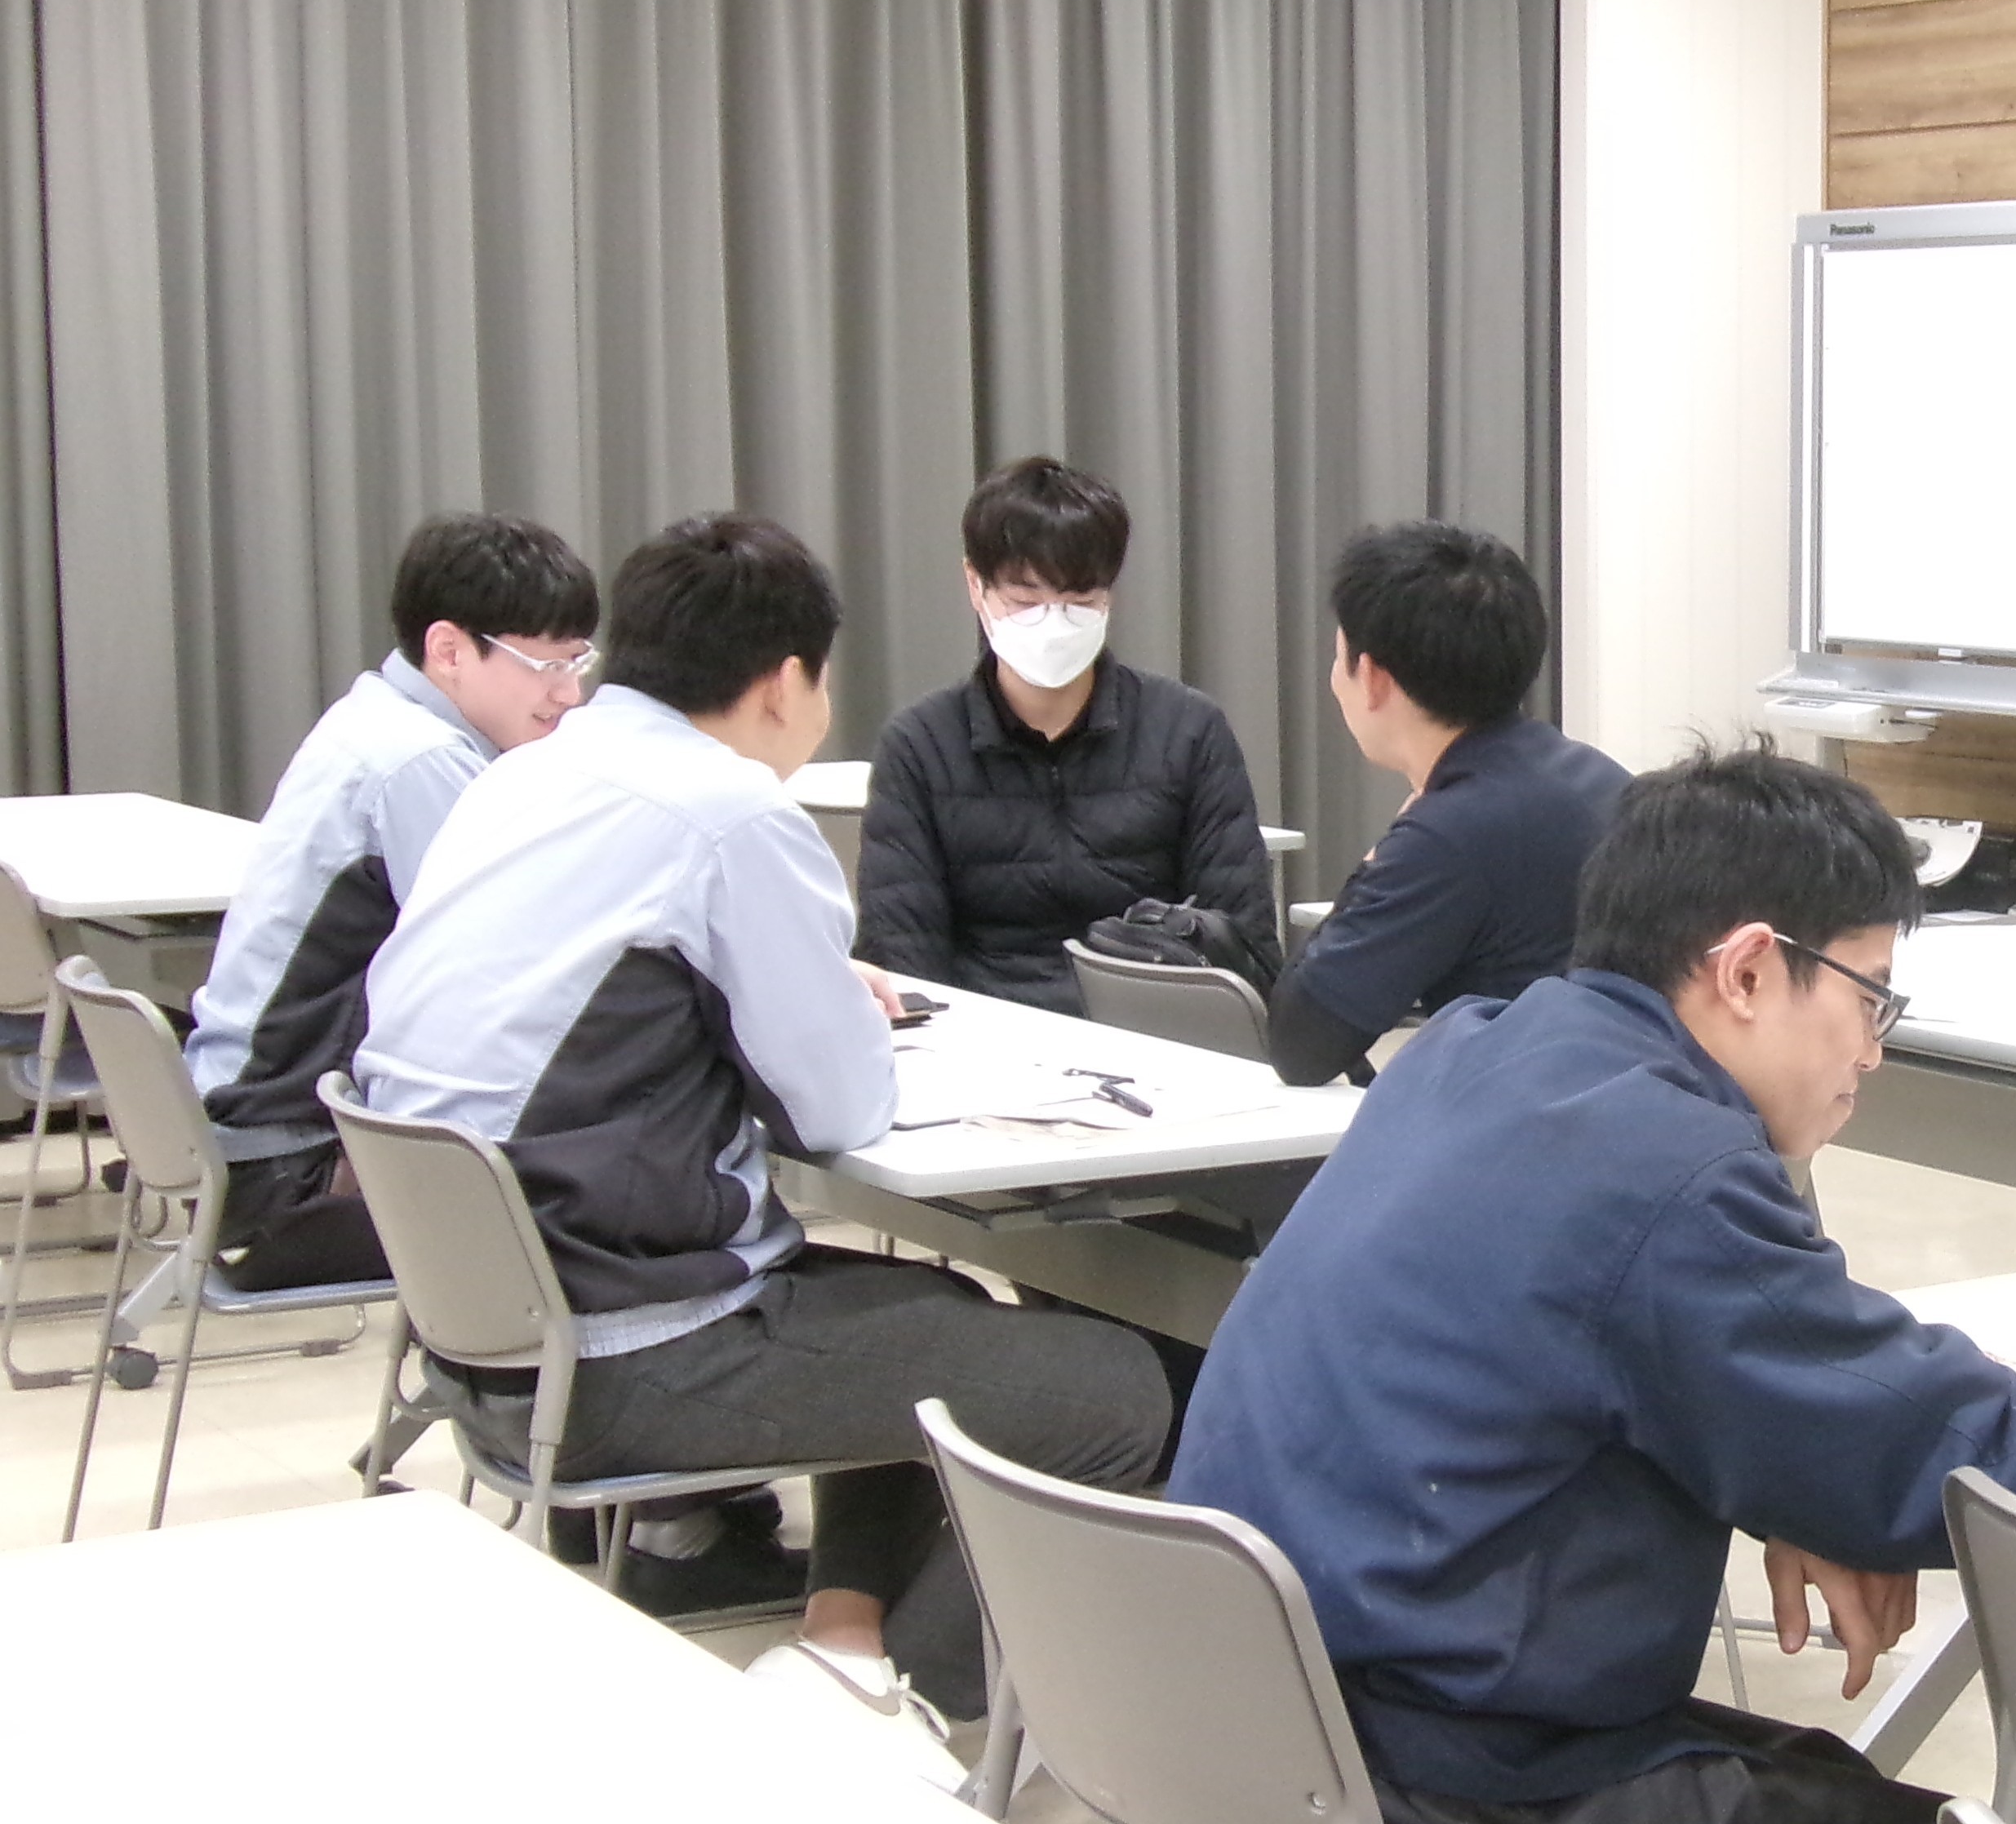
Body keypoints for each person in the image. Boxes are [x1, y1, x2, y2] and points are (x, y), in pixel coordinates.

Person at [1173, 744, 2016, 1824]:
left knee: (1822, 1777)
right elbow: (1962, 1444)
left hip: (1250, 1718)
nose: (1874, 1051)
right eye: (1871, 998)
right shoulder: (1669, 1171)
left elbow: (1676, 1372)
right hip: (1452, 1774)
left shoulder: (1475, 1045)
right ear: (1751, 972)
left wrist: (1803, 1479)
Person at [356, 513, 1170, 1785]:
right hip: (629, 1352)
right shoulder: (730, 813)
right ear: (788, 680)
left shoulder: (516, 779)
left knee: (926, 1308)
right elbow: (838, 1112)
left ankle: (844, 1647)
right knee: (1116, 1393)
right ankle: (916, 1704)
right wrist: (822, 999)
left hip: (481, 1339)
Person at [186, 514, 597, 1293]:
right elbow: (514, 974)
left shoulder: (373, 718)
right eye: (546, 665)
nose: (569, 693)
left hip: (239, 1133)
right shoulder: (420, 763)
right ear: (449, 650)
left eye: (578, 662)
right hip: (288, 1164)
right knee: (615, 1191)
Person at [855, 456, 1282, 1014]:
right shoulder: (921, 746)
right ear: (975, 585)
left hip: (1153, 1039)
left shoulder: (1187, 731)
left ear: (1110, 594)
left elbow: (1243, 942)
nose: (1053, 624)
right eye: (1025, 601)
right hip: (986, 1039)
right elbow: (904, 960)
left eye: (1080, 601)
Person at [1264, 521, 1628, 1086]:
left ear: (1373, 678)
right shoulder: (1602, 778)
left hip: (1532, 1120)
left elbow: (1302, 1045)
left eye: (1340, 659)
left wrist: (1376, 864)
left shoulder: (1446, 836)